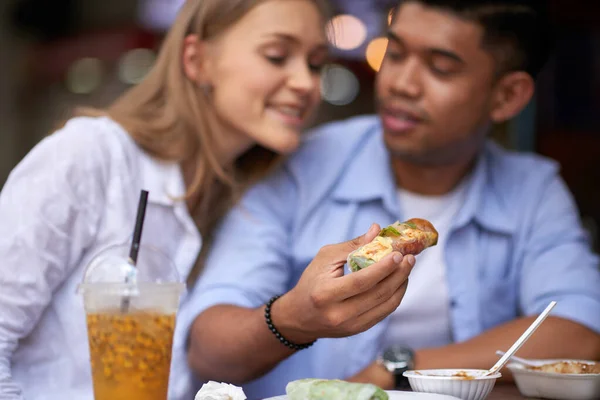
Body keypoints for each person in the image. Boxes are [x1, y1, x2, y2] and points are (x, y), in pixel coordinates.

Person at [182, 0, 600, 398]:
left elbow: (579, 334)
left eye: (440, 68)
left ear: (507, 96)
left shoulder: (532, 191)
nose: (401, 84)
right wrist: (295, 318)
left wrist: (395, 369)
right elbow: (207, 348)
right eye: (395, 55)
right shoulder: (301, 165)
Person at [0, 1, 410, 399]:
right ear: (196, 59)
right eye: (276, 55)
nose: (306, 83)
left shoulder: (249, 196)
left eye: (316, 63)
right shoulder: (90, 156)